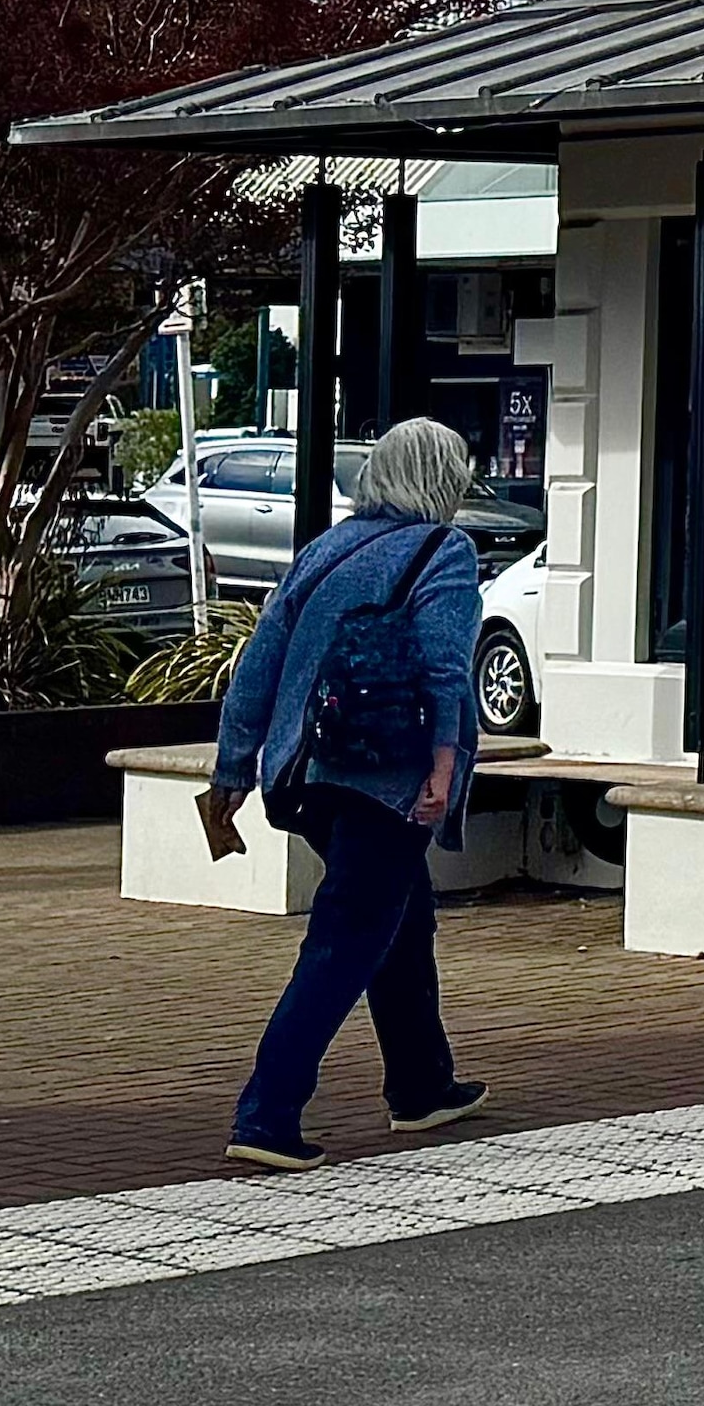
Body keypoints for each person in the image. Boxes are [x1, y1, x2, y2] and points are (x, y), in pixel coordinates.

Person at [198, 413, 494, 1168]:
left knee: (403, 920)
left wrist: (233, 769)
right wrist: (442, 771)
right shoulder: (444, 549)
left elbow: (259, 661)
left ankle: (422, 1087)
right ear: (445, 479)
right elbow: (445, 667)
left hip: (303, 778)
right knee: (345, 938)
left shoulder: (327, 548)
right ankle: (266, 1116)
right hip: (384, 782)